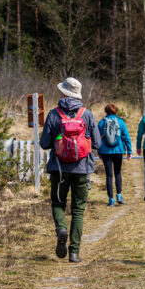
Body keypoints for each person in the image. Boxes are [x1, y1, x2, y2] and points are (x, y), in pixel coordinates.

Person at [40, 77, 101, 263]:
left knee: (58, 203)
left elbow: (44, 144)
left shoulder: (53, 114)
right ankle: (74, 252)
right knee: (78, 209)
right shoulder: (87, 114)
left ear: (63, 93)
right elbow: (97, 143)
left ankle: (61, 229)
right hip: (82, 169)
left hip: (58, 169)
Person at [97, 104, 132, 207]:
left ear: (106, 111)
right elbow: (126, 137)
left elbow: (97, 138)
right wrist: (129, 151)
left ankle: (111, 199)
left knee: (109, 175)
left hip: (105, 151)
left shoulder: (102, 122)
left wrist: (99, 151)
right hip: (118, 150)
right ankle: (119, 196)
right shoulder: (120, 122)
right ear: (116, 111)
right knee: (118, 173)